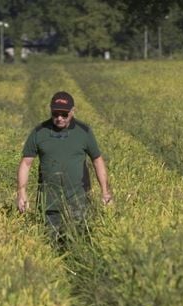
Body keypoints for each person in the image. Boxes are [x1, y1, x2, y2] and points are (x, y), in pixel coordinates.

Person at [16, 91, 113, 240]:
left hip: (79, 200)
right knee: (50, 242)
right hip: (49, 202)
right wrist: (21, 192)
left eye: (64, 114)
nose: (59, 118)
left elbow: (97, 160)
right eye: (55, 114)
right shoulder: (39, 132)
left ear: (73, 111)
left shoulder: (84, 132)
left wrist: (105, 192)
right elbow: (26, 163)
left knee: (80, 239)